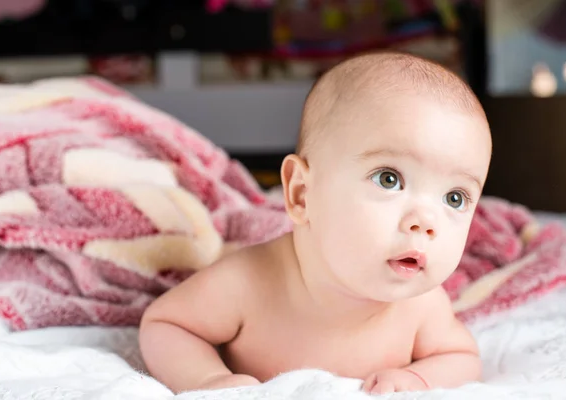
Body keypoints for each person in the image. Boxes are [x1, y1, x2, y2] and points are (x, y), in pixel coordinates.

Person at [139, 51, 492, 395]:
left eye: (455, 198)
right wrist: (206, 380)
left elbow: (460, 356)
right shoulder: (247, 283)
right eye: (389, 179)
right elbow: (167, 326)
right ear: (301, 194)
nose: (427, 223)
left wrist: (421, 379)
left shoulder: (422, 306)